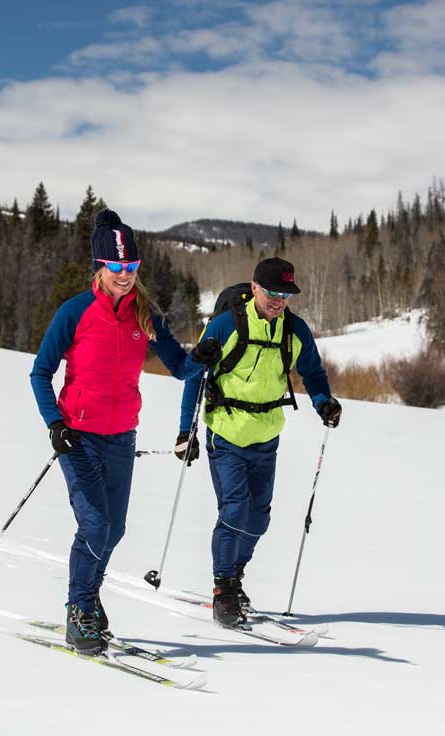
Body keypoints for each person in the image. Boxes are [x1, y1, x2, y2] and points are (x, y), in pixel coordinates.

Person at [31, 209, 189, 654]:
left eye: (132, 268)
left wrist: (208, 356)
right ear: (100, 267)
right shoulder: (75, 311)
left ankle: (89, 599)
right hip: (77, 436)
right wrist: (54, 423)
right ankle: (78, 609)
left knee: (114, 528)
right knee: (95, 523)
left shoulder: (145, 315)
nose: (125, 277)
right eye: (117, 268)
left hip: (122, 436)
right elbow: (40, 372)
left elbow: (181, 367)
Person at [176, 257, 342, 628]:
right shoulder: (225, 325)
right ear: (254, 288)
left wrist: (323, 401)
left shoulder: (294, 331)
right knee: (235, 510)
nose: (279, 300)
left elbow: (312, 373)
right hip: (227, 434)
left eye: (286, 294)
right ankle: (223, 590)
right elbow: (193, 376)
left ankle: (234, 575)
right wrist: (185, 432)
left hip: (267, 437)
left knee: (259, 519)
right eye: (273, 292)